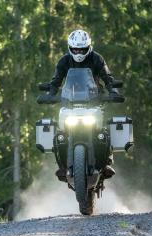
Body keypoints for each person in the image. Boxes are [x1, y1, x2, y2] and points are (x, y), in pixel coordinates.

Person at [50, 29, 117, 180]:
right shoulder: (64, 61)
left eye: (82, 49)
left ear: (88, 47)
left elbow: (107, 77)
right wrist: (51, 93)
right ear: (70, 48)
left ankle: (107, 161)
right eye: (75, 49)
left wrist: (112, 90)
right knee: (60, 135)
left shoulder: (97, 59)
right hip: (70, 103)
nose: (78, 52)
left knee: (103, 132)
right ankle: (62, 165)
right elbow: (57, 79)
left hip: (93, 101)